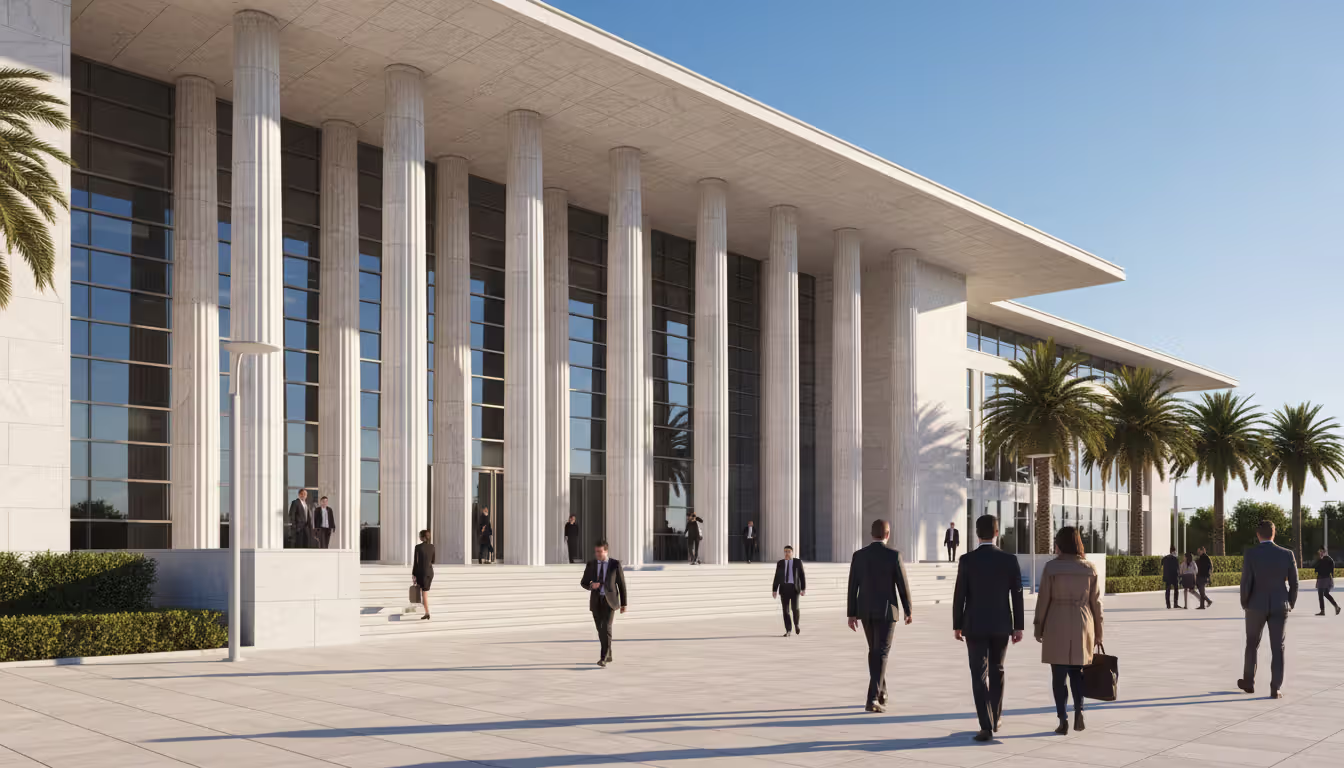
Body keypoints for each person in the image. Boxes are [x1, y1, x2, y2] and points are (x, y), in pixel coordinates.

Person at [952, 514, 1024, 742]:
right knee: (997, 669)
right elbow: (1018, 595)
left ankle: (986, 725)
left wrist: (957, 624)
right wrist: (1018, 626)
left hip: (974, 625)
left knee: (978, 674)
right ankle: (997, 716)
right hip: (1002, 625)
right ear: (996, 532)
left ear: (976, 533)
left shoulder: (966, 560)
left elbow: (959, 596)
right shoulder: (1009, 560)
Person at [1034, 526, 1103, 735]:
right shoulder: (1090, 568)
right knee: (1077, 672)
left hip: (1057, 621)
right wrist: (1098, 632)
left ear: (1060, 544)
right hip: (1083, 623)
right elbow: (1096, 603)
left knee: (1058, 676)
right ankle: (1079, 710)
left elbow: (1043, 599)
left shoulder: (1051, 569)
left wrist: (1039, 626)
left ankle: (1062, 718)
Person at [846, 519, 913, 713]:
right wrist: (908, 610)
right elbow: (902, 585)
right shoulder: (894, 556)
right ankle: (872, 698)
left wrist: (851, 614)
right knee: (881, 653)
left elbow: (852, 587)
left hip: (865, 611)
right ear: (887, 534)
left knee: (874, 651)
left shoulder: (859, 556)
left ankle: (882, 691)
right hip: (887, 611)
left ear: (871, 533)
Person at [1238, 519, 1298, 699]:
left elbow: (1246, 581)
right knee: (1278, 647)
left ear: (1258, 534)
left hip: (1255, 605)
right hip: (1280, 605)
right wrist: (1290, 602)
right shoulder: (1287, 554)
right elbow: (1294, 583)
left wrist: (1245, 602)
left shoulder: (1251, 554)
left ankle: (1248, 683)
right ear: (1274, 533)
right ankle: (1275, 688)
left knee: (1251, 644)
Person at [580, 540, 627, 667]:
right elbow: (583, 582)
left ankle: (603, 657)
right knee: (600, 630)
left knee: (606, 628)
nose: (598, 554)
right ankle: (609, 653)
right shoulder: (591, 564)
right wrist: (591, 585)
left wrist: (624, 604)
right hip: (596, 601)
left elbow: (621, 584)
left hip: (609, 601)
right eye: (596, 552)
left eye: (600, 551)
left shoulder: (615, 564)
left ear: (606, 551)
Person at [772, 545, 806, 636]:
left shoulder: (798, 562)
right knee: (785, 611)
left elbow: (802, 575)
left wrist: (803, 588)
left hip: (794, 589)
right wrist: (774, 589)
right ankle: (788, 630)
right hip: (784, 589)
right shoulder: (780, 563)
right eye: (785, 552)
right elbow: (777, 577)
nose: (786, 553)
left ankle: (796, 624)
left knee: (795, 609)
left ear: (792, 552)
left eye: (788, 551)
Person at [412, 530, 435, 621]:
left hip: (421, 572)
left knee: (424, 592)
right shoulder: (432, 547)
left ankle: (427, 612)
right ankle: (425, 607)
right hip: (430, 572)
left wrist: (414, 574)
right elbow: (433, 561)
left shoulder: (418, 547)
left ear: (422, 537)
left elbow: (415, 563)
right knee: (424, 591)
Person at [1315, 548, 1338, 616]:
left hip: (1324, 578)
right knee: (1325, 594)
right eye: (1320, 552)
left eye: (1322, 552)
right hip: (1322, 578)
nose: (1320, 553)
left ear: (1325, 552)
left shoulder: (1327, 560)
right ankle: (1336, 607)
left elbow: (1330, 569)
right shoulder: (1324, 559)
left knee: (1321, 594)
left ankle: (1323, 611)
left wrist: (1331, 579)